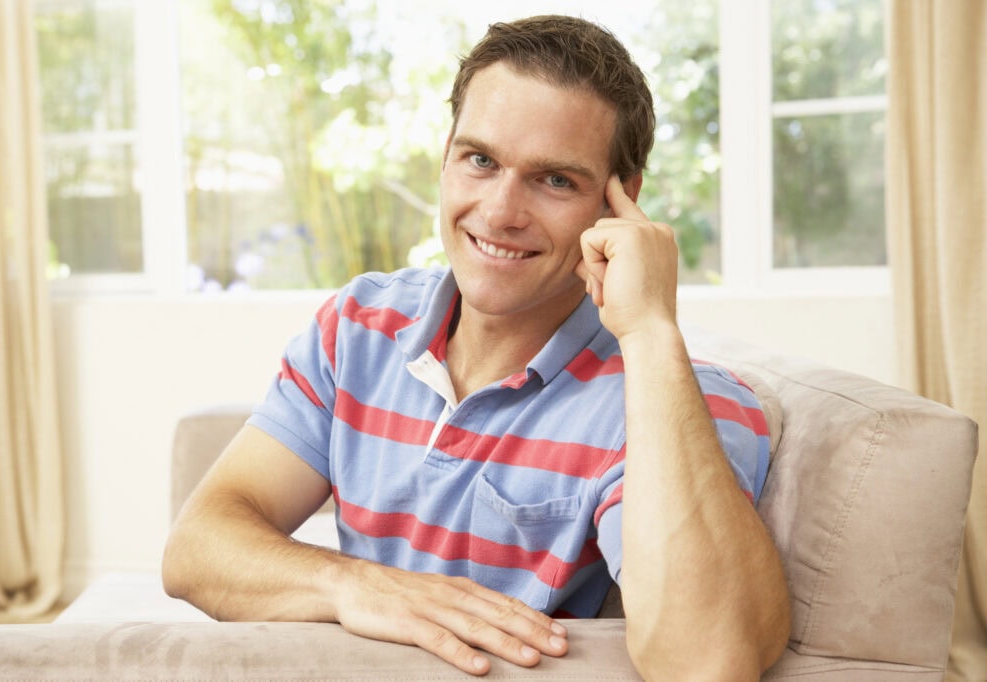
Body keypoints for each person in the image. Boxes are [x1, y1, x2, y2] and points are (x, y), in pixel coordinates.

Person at [162, 14, 790, 679]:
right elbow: (197, 548)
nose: (499, 212)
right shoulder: (360, 326)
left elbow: (708, 659)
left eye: (555, 180)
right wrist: (358, 586)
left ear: (621, 203)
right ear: (446, 157)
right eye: (481, 161)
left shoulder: (669, 402)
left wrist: (653, 333)